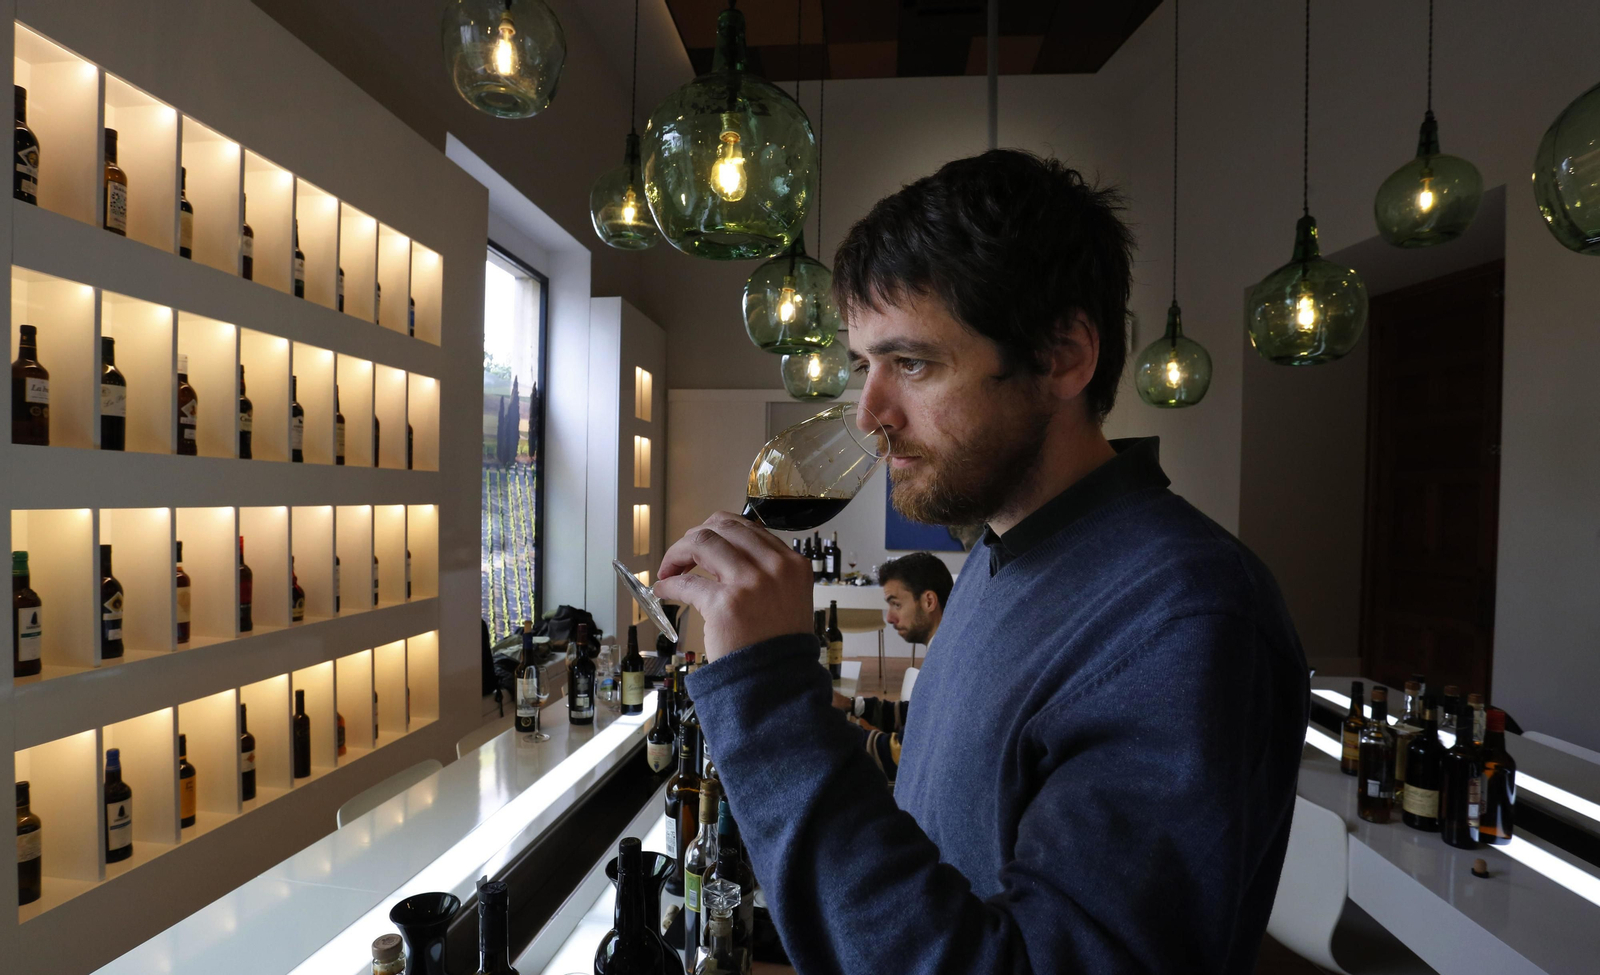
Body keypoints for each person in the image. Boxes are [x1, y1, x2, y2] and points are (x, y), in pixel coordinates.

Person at [656, 150, 1308, 975]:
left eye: (914, 363)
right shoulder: (1000, 559)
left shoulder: (1187, 621)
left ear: (1064, 355)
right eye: (865, 366)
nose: (871, 414)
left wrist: (770, 700)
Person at [831, 552, 953, 782]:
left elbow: (900, 758)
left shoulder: (949, 668)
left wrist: (843, 726)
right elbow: (914, 713)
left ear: (928, 601)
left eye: (896, 604)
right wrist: (851, 705)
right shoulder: (947, 649)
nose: (889, 618)